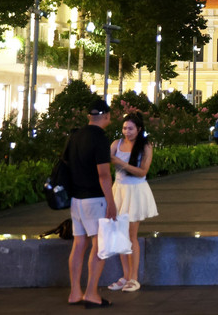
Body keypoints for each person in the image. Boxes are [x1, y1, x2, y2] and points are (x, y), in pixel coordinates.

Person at [66, 98, 117, 308]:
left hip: (76, 199)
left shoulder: (75, 135)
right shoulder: (100, 138)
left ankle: (75, 292)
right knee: (99, 245)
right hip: (94, 199)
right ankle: (91, 293)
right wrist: (111, 203)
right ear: (105, 116)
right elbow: (104, 175)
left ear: (89, 116)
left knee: (79, 244)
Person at [107, 112, 158, 294]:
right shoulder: (116, 144)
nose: (126, 132)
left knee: (131, 234)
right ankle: (126, 276)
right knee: (120, 234)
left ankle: (134, 277)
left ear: (139, 130)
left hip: (135, 191)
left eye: (130, 128)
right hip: (118, 190)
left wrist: (121, 163)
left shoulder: (145, 146)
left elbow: (143, 172)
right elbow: (103, 163)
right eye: (124, 128)